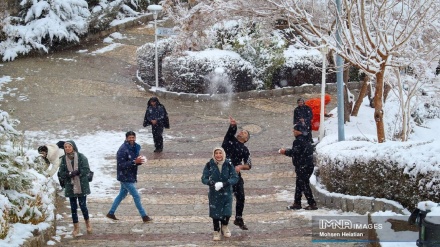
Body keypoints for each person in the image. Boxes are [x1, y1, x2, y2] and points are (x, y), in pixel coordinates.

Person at [106, 131, 152, 223]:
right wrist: (135, 162)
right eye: (130, 138)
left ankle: (111, 213)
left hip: (130, 175)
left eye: (133, 137)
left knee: (121, 195)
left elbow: (134, 161)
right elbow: (121, 164)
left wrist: (139, 161)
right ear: (126, 138)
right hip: (125, 177)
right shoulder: (122, 150)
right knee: (136, 196)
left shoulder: (135, 147)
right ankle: (144, 216)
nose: (132, 139)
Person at [202, 147, 239, 241]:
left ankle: (225, 226)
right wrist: (210, 183)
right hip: (214, 193)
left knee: (227, 212)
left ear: (223, 154)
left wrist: (226, 183)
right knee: (215, 212)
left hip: (227, 192)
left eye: (220, 153)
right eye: (216, 153)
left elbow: (235, 177)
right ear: (213, 155)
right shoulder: (209, 164)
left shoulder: (229, 164)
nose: (218, 155)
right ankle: (216, 230)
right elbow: (204, 178)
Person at [221, 116, 252, 230]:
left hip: (235, 175)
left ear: (246, 139)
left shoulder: (245, 150)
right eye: (241, 131)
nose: (241, 132)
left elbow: (249, 165)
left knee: (241, 197)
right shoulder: (229, 139)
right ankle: (224, 224)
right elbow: (231, 131)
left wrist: (241, 166)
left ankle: (238, 218)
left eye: (244, 133)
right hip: (224, 173)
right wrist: (233, 125)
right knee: (226, 199)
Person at [278, 124, 318, 210]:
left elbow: (295, 152)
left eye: (295, 130)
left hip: (302, 166)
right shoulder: (307, 139)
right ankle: (297, 203)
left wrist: (284, 151)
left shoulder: (298, 141)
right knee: (299, 184)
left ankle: (312, 204)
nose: (293, 131)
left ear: (299, 131)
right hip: (308, 165)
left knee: (304, 184)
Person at [58, 140, 92, 237]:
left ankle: (88, 223)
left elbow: (86, 169)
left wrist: (78, 172)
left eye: (69, 146)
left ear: (73, 147)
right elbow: (61, 173)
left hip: (81, 186)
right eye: (66, 147)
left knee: (83, 206)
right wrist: (69, 174)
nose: (67, 148)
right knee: (73, 208)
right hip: (70, 186)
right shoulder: (64, 159)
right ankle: (76, 227)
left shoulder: (81, 157)